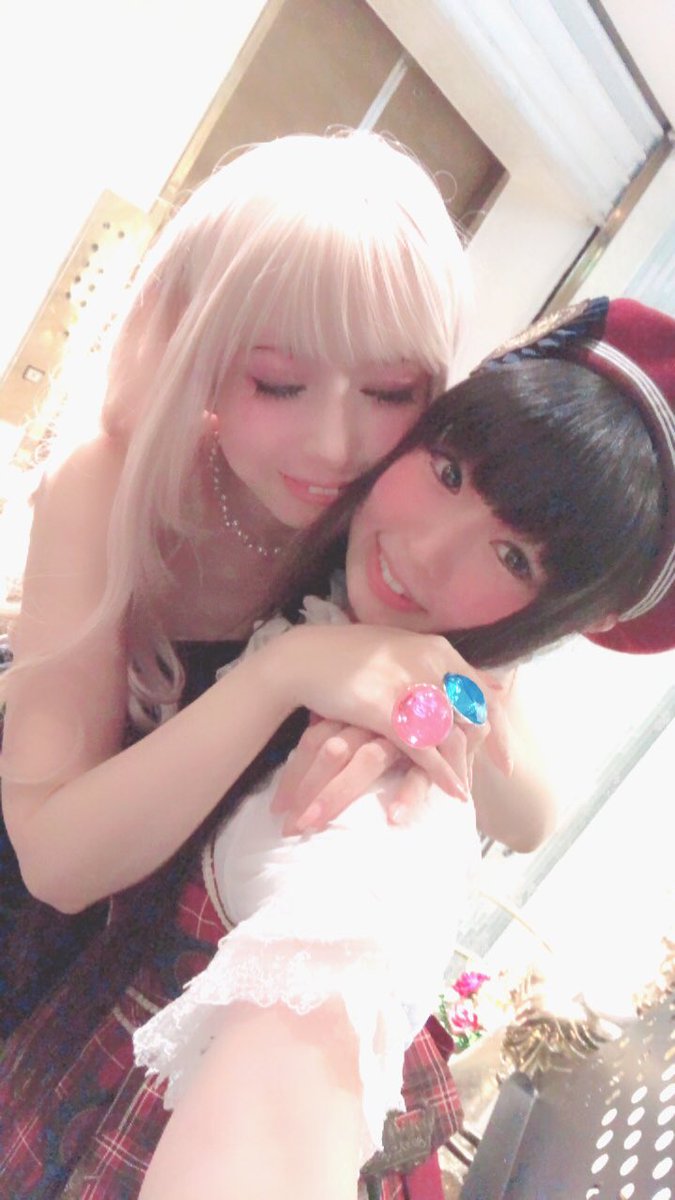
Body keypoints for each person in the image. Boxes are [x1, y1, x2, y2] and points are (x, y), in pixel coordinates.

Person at [2, 295, 671, 1199]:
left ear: (560, 618)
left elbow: (391, 892)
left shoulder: (368, 805)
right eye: (447, 471)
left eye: (513, 557)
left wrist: (430, 708)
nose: (425, 551)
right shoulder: (273, 505)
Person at [0, 127, 505, 1036]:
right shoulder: (112, 481)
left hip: (163, 968)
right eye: (277, 383)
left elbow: (531, 807)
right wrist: (288, 669)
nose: (335, 446)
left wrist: (451, 696)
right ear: (195, 352)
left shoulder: (397, 513)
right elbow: (54, 861)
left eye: (390, 392)